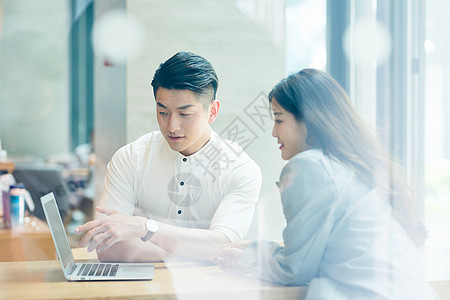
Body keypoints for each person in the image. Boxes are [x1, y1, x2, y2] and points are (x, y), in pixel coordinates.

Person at [212, 69, 438, 299]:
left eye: (279, 119)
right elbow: (312, 255)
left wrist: (245, 259)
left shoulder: (310, 167)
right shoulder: (347, 165)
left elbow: (294, 271)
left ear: (309, 119)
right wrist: (255, 250)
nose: (273, 132)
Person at [76, 52, 262, 262]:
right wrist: (196, 251)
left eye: (185, 114)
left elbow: (223, 244)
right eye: (163, 112)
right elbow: (105, 243)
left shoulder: (240, 168)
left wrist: (145, 228)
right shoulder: (131, 158)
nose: (172, 126)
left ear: (212, 111)